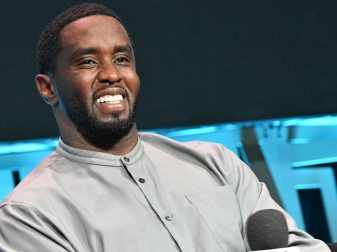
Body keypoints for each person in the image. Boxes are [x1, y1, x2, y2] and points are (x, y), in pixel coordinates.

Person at [0, 3, 330, 252]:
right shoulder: (28, 215)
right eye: (88, 61)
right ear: (48, 88)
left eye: (122, 59)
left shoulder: (216, 163)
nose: (112, 74)